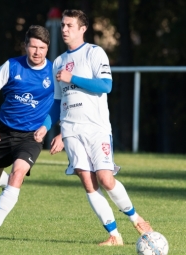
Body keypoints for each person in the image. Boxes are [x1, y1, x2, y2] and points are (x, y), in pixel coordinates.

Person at [53, 9, 153, 246]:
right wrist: (55, 130)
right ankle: (114, 235)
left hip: (96, 128)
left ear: (82, 29)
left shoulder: (94, 53)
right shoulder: (58, 61)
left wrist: (72, 78)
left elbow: (106, 85)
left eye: (69, 25)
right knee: (87, 180)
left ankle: (136, 218)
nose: (64, 29)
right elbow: (58, 101)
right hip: (70, 129)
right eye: (63, 26)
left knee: (106, 179)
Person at [0, 25, 64, 237]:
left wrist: (50, 129)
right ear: (26, 46)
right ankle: (6, 185)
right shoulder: (12, 66)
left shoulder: (54, 72)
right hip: (3, 130)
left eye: (42, 48)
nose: (37, 52)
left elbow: (61, 104)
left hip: (32, 136)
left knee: (18, 174)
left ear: (48, 48)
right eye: (33, 46)